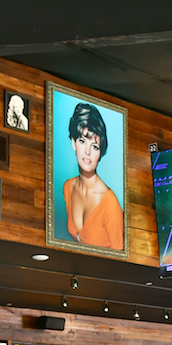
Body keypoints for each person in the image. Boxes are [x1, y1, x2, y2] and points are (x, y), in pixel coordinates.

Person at [63, 102, 123, 249]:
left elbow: (122, 258)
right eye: (82, 141)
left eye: (95, 146)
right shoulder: (68, 188)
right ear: (73, 143)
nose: (87, 152)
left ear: (100, 152)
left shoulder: (110, 205)